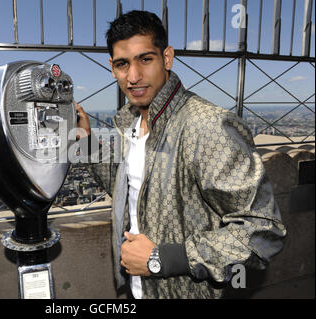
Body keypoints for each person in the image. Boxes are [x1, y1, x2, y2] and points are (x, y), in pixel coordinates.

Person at [75, 10, 286, 299]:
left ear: (167, 58)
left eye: (145, 59)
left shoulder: (208, 126)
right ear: (112, 68)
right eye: (123, 64)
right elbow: (127, 189)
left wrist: (162, 258)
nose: (133, 76)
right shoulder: (129, 123)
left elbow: (263, 231)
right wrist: (87, 142)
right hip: (136, 290)